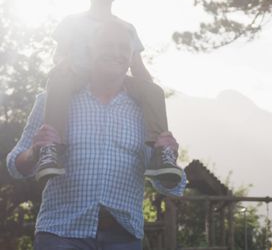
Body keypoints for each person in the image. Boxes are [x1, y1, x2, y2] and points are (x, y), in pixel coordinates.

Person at [6, 22, 186, 249]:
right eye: (107, 45)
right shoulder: (52, 102)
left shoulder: (146, 112)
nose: (116, 52)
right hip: (60, 234)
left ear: (131, 56)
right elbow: (14, 165)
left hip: (124, 238)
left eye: (123, 47)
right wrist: (34, 152)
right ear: (90, 50)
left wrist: (170, 159)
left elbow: (169, 186)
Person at [35, 0, 181, 186]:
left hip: (117, 79)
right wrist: (63, 63)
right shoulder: (73, 21)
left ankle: (161, 152)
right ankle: (52, 147)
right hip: (79, 74)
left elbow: (137, 66)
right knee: (59, 79)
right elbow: (60, 53)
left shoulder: (127, 28)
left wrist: (148, 90)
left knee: (154, 91)